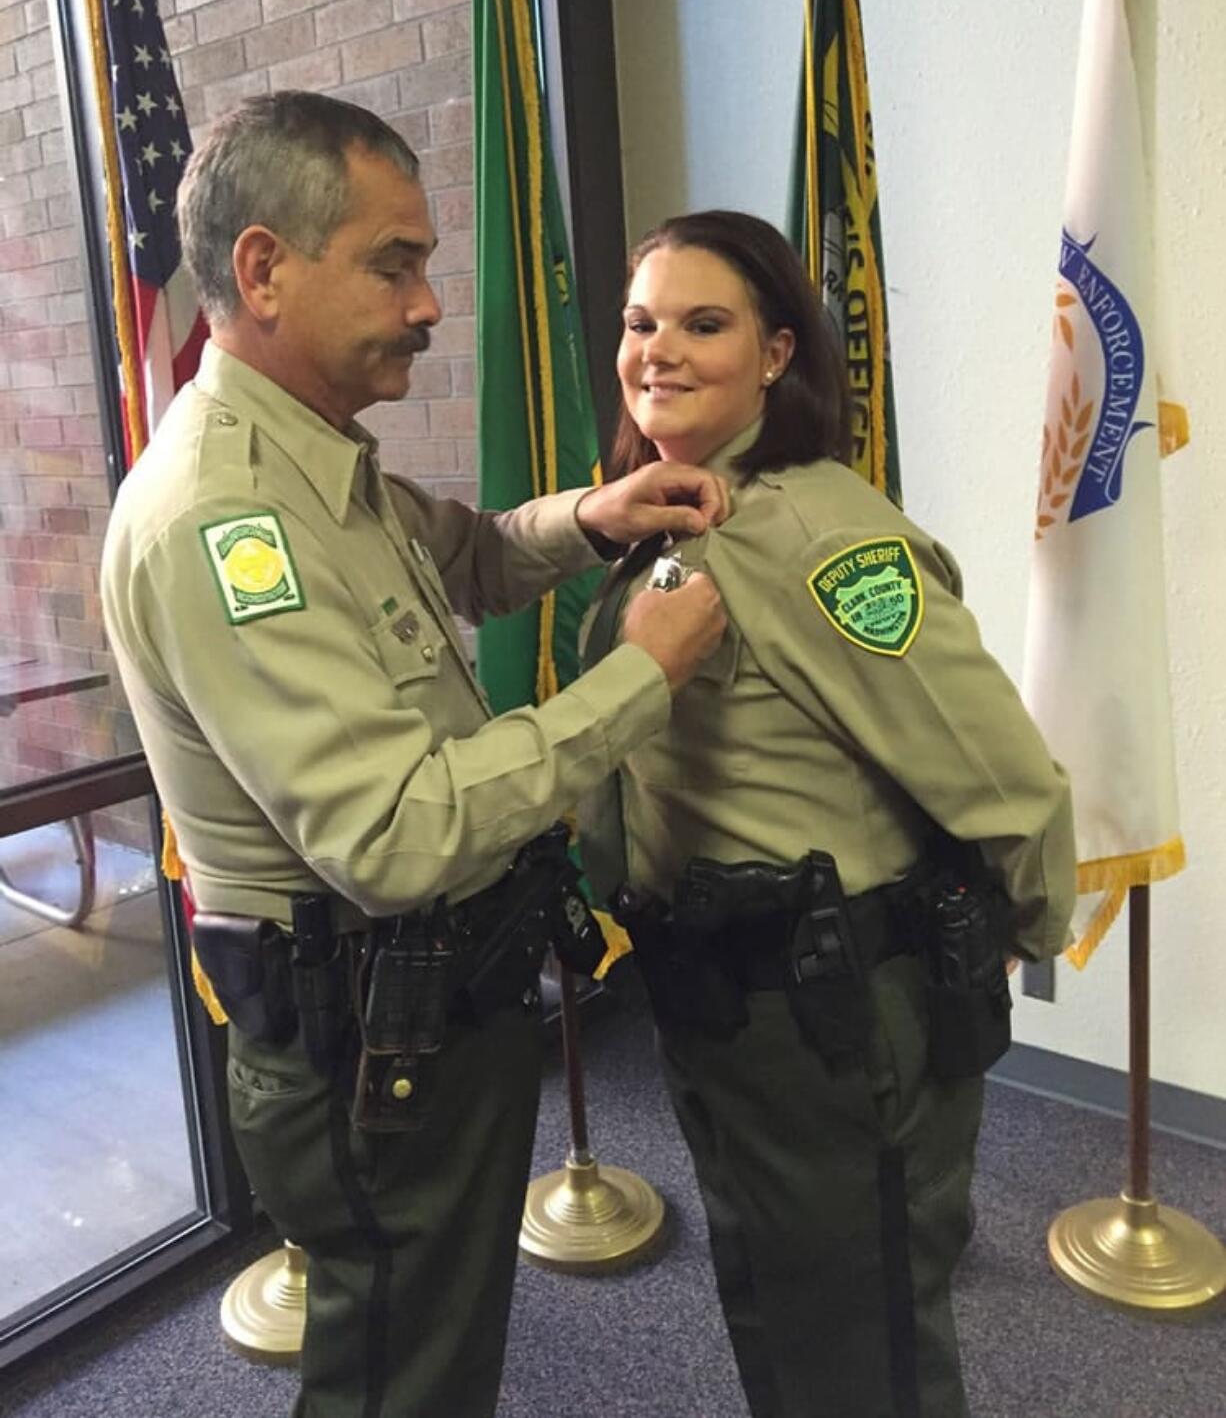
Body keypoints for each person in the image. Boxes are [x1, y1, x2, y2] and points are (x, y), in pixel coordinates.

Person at [99, 91, 729, 1418]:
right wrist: (642, 674)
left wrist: (595, 518)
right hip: (362, 1040)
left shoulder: (316, 461)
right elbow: (390, 838)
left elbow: (466, 558)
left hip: (420, 1013)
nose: (431, 301)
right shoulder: (226, 517)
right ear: (264, 268)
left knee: (427, 1347)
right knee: (400, 1376)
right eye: (395, 264)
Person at [578, 210, 1076, 1418]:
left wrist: (1014, 935)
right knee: (779, 1306)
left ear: (777, 354)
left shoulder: (816, 541)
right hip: (725, 1007)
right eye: (642, 322)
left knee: (862, 1350)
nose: (658, 351)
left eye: (704, 324)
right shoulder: (680, 517)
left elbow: (1005, 781)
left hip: (831, 1027)